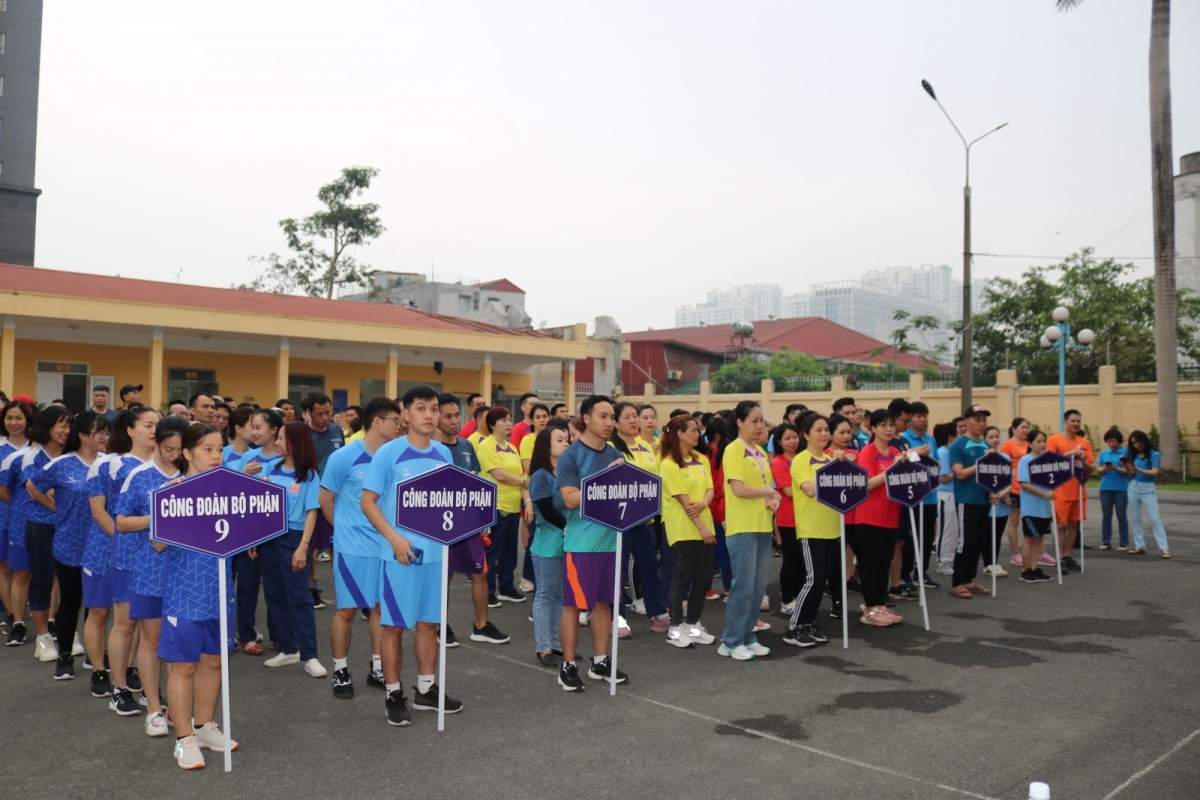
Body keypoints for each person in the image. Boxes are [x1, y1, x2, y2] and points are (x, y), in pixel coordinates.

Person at [361, 386, 463, 725]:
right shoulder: (388, 454)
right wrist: (394, 539)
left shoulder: (443, 454)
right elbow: (368, 502)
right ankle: (393, 693)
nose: (430, 414)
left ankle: (425, 689)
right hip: (400, 556)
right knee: (393, 627)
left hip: (436, 555)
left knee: (429, 624)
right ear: (405, 414)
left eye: (434, 408)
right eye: (421, 408)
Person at [155, 423, 238, 769]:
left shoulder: (231, 490)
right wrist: (174, 508)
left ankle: (205, 726)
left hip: (221, 592)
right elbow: (157, 544)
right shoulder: (171, 491)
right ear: (187, 453)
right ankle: (184, 737)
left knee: (214, 661)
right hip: (185, 594)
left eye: (220, 449)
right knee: (184, 666)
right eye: (207, 449)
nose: (216, 456)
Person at [320, 396, 402, 699]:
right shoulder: (344, 457)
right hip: (352, 548)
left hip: (384, 545)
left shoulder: (393, 456)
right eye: (395, 421)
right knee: (346, 610)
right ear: (377, 422)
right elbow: (325, 500)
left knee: (380, 609)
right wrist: (343, 530)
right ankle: (340, 670)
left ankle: (377, 667)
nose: (400, 426)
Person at [117, 415, 190, 736]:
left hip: (186, 572)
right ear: (156, 442)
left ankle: (177, 708)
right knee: (151, 640)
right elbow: (121, 522)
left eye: (179, 449)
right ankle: (153, 709)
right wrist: (158, 516)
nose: (173, 454)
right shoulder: (140, 475)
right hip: (148, 570)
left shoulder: (194, 476)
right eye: (167, 448)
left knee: (178, 644)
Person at [29, 411, 110, 680]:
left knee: (98, 606)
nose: (105, 437)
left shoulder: (109, 463)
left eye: (107, 432)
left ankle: (94, 656)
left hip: (101, 545)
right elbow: (33, 486)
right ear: (84, 435)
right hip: (69, 544)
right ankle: (64, 657)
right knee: (70, 601)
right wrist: (56, 509)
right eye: (100, 432)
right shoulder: (62, 464)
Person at [556, 395, 628, 691]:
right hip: (581, 544)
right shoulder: (571, 456)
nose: (610, 422)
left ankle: (600, 661)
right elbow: (570, 499)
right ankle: (568, 666)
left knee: (603, 604)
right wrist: (606, 479)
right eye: (603, 416)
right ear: (586, 419)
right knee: (574, 606)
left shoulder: (614, 452)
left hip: (610, 542)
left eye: (612, 417)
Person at [89, 406, 158, 709]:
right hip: (129, 554)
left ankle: (148, 688)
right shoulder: (112, 465)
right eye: (147, 424)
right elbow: (103, 511)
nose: (154, 429)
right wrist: (119, 538)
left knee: (152, 630)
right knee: (125, 622)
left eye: (158, 424)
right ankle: (119, 689)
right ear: (129, 430)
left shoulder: (171, 466)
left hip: (161, 557)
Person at [432, 393, 509, 648]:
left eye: (457, 416)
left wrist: (480, 516)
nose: (455, 421)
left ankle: (481, 626)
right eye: (448, 416)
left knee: (481, 572)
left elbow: (476, 480)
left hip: (468, 523)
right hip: (440, 524)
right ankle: (440, 625)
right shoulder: (431, 449)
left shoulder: (466, 446)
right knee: (445, 577)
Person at [257, 421, 326, 677]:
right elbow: (261, 506)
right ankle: (288, 649)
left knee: (299, 597)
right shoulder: (271, 468)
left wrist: (302, 547)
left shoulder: (308, 475)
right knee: (274, 595)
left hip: (294, 537)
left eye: (281, 438)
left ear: (295, 442)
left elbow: (311, 513)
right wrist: (255, 539)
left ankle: (310, 655)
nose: (276, 442)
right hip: (269, 538)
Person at [719, 400, 780, 660]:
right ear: (740, 422)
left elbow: (767, 486)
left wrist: (772, 499)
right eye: (754, 420)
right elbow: (739, 489)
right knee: (742, 586)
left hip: (762, 525)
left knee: (757, 588)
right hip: (742, 527)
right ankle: (731, 641)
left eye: (762, 420)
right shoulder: (733, 450)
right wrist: (769, 491)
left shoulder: (759, 452)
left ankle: (748, 636)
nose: (760, 426)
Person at [658, 414, 717, 649]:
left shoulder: (701, 459)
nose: (697, 434)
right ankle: (675, 627)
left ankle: (693, 623)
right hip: (682, 527)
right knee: (681, 577)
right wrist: (702, 527)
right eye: (693, 430)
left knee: (702, 578)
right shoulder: (668, 464)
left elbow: (710, 489)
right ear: (680, 434)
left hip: (705, 524)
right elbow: (684, 502)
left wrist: (704, 503)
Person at [610, 401, 668, 637]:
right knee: (619, 570)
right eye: (627, 417)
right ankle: (618, 616)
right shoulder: (611, 447)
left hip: (646, 518)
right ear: (615, 422)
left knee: (649, 565)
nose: (633, 420)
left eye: (635, 416)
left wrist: (649, 510)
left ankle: (658, 612)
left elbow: (653, 481)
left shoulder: (645, 444)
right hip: (621, 519)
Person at [20, 405, 73, 662]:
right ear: (47, 426)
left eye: (69, 425)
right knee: (42, 579)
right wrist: (59, 507)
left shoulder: (70, 454)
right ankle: (42, 637)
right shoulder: (33, 455)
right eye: (61, 424)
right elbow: (35, 490)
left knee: (69, 583)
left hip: (68, 528)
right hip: (40, 525)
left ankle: (66, 632)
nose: (66, 430)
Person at [784, 413, 840, 646]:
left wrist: (837, 466)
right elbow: (809, 489)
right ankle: (794, 627)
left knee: (822, 579)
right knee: (813, 579)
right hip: (811, 529)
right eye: (818, 430)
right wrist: (834, 469)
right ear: (805, 434)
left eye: (826, 429)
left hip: (832, 528)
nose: (824, 434)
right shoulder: (801, 460)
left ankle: (809, 622)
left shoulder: (829, 459)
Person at [233, 409, 282, 648]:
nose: (254, 432)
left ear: (274, 430)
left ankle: (278, 634)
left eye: (259, 427)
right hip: (248, 532)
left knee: (276, 587)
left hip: (276, 532)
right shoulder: (248, 459)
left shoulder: (285, 459)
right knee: (247, 585)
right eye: (252, 427)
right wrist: (243, 475)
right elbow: (232, 493)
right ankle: (246, 634)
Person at [854, 410, 904, 627]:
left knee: (885, 562)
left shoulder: (895, 451)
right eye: (883, 425)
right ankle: (870, 608)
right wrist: (894, 468)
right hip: (869, 516)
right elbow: (867, 483)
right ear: (872, 428)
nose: (889, 429)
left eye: (891, 424)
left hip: (890, 515)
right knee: (871, 563)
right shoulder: (868, 452)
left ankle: (880, 605)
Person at [477, 406, 531, 606]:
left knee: (509, 551)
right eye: (503, 420)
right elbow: (498, 474)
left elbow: (520, 476)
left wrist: (527, 500)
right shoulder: (486, 445)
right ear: (492, 424)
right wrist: (523, 483)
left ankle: (507, 588)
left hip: (512, 505)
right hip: (494, 505)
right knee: (492, 551)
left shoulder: (511, 447)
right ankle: (489, 591)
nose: (508, 423)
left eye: (510, 420)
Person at [528, 423, 570, 665]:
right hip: (547, 544)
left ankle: (556, 643)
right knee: (545, 595)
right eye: (559, 440)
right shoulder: (540, 476)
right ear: (546, 446)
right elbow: (545, 510)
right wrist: (570, 526)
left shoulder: (567, 474)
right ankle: (543, 647)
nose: (566, 443)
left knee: (562, 597)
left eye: (566, 439)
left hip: (568, 542)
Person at [948, 405, 996, 599]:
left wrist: (995, 492)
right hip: (966, 500)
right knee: (965, 542)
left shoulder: (986, 446)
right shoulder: (959, 445)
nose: (982, 424)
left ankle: (969, 579)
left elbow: (991, 475)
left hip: (983, 500)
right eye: (977, 420)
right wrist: (981, 463)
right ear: (966, 421)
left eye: (984, 420)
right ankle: (957, 582)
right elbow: (959, 473)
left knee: (978, 542)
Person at [1046, 410, 1095, 573]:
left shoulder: (1084, 442)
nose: (1076, 424)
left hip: (1078, 489)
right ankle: (1059, 557)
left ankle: (1067, 555)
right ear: (1065, 422)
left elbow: (1091, 468)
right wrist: (1071, 454)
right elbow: (1050, 463)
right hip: (1060, 489)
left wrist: (1082, 459)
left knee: (1074, 524)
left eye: (1078, 421)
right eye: (1073, 420)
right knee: (1061, 525)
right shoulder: (1054, 440)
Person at [0, 399, 33, 642]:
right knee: (4, 567)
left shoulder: (37, 448)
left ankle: (20, 613)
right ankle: (13, 614)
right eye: (9, 418)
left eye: (18, 418)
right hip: (3, 514)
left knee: (24, 571)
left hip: (28, 518)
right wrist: (16, 504)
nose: (14, 422)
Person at [901, 402, 940, 589]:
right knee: (910, 538)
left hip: (930, 496)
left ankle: (922, 572)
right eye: (918, 416)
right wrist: (916, 455)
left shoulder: (930, 439)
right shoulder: (904, 438)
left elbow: (937, 464)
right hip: (912, 498)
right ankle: (905, 574)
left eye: (925, 415)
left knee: (926, 537)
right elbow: (901, 462)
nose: (922, 419)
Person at [517, 402, 552, 593]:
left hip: (553, 492)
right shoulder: (527, 440)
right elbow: (530, 468)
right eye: (537, 417)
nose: (542, 420)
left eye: (544, 416)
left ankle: (541, 577)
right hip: (534, 491)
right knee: (534, 536)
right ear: (531, 420)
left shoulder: (554, 437)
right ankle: (526, 577)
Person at [1016, 430, 1057, 583]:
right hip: (1031, 508)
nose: (1042, 444)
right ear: (1031, 443)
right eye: (1038, 441)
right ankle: (1026, 570)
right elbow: (1023, 484)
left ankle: (1034, 568)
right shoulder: (1025, 460)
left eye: (1043, 441)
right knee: (1030, 538)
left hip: (1043, 508)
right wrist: (1044, 494)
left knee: (1039, 539)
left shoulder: (1046, 461)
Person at [770, 422, 801, 614]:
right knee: (791, 561)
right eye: (787, 438)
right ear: (779, 442)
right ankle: (787, 599)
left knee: (803, 561)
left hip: (807, 517)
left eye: (794, 437)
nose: (792, 441)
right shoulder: (779, 462)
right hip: (788, 519)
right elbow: (789, 491)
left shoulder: (803, 458)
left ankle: (799, 597)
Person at [1125, 429, 1170, 558]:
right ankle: (1139, 545)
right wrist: (1129, 469)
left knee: (1155, 518)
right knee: (1135, 517)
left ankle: (1164, 548)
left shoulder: (1154, 454)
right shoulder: (1133, 455)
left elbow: (1154, 472)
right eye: (1133, 443)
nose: (1136, 446)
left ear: (1144, 441)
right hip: (1134, 485)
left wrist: (1137, 468)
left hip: (1148, 488)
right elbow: (1130, 473)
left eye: (1138, 442)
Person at [1000, 418, 1032, 567]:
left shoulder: (1029, 445)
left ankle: (1035, 551)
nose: (1025, 430)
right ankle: (1015, 553)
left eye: (1027, 428)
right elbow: (1003, 470)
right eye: (1022, 427)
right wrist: (1005, 493)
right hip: (1014, 488)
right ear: (1014, 429)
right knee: (1014, 520)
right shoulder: (1007, 446)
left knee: (1031, 520)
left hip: (1029, 488)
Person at [983, 425, 1013, 569]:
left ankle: (994, 562)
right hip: (988, 503)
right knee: (988, 535)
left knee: (998, 535)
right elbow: (982, 480)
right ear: (984, 439)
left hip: (1002, 503)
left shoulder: (1005, 457)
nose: (995, 440)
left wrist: (1004, 495)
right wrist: (994, 493)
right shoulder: (982, 457)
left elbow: (1009, 480)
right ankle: (988, 563)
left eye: (996, 436)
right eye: (991, 437)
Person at [1095, 429, 1130, 552]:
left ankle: (1123, 542)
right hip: (1105, 488)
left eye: (1114, 441)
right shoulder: (1104, 453)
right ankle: (1106, 541)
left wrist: (1116, 468)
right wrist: (1104, 469)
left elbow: (1129, 471)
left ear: (1119, 441)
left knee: (1121, 515)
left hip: (1121, 489)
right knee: (1106, 516)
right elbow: (1098, 469)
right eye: (1109, 441)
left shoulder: (1125, 453)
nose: (1111, 444)